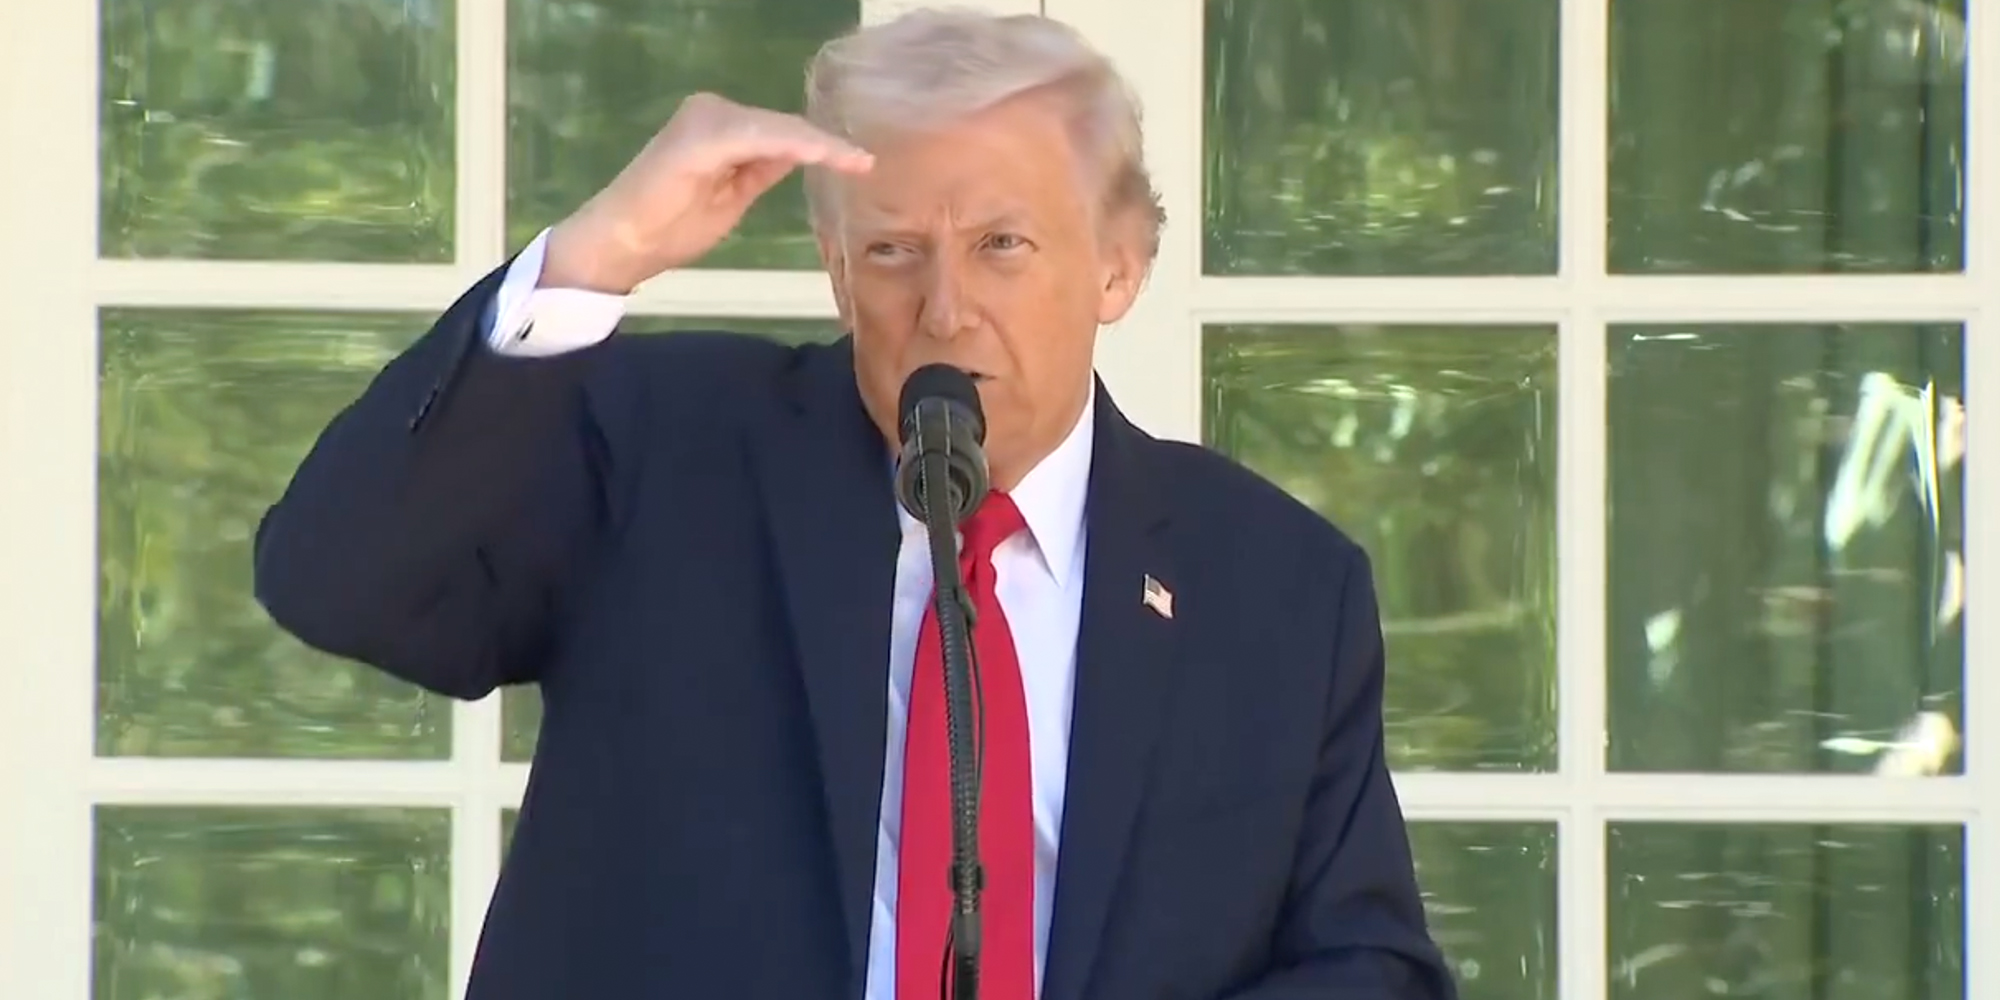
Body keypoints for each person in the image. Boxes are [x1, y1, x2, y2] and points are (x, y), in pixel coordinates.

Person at [254, 8, 1456, 1000]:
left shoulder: (1274, 583)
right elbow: (337, 577)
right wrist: (592, 258)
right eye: (890, 252)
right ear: (834, 269)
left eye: (1001, 245)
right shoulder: (669, 448)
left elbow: (1369, 966)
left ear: (1118, 264)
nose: (943, 309)